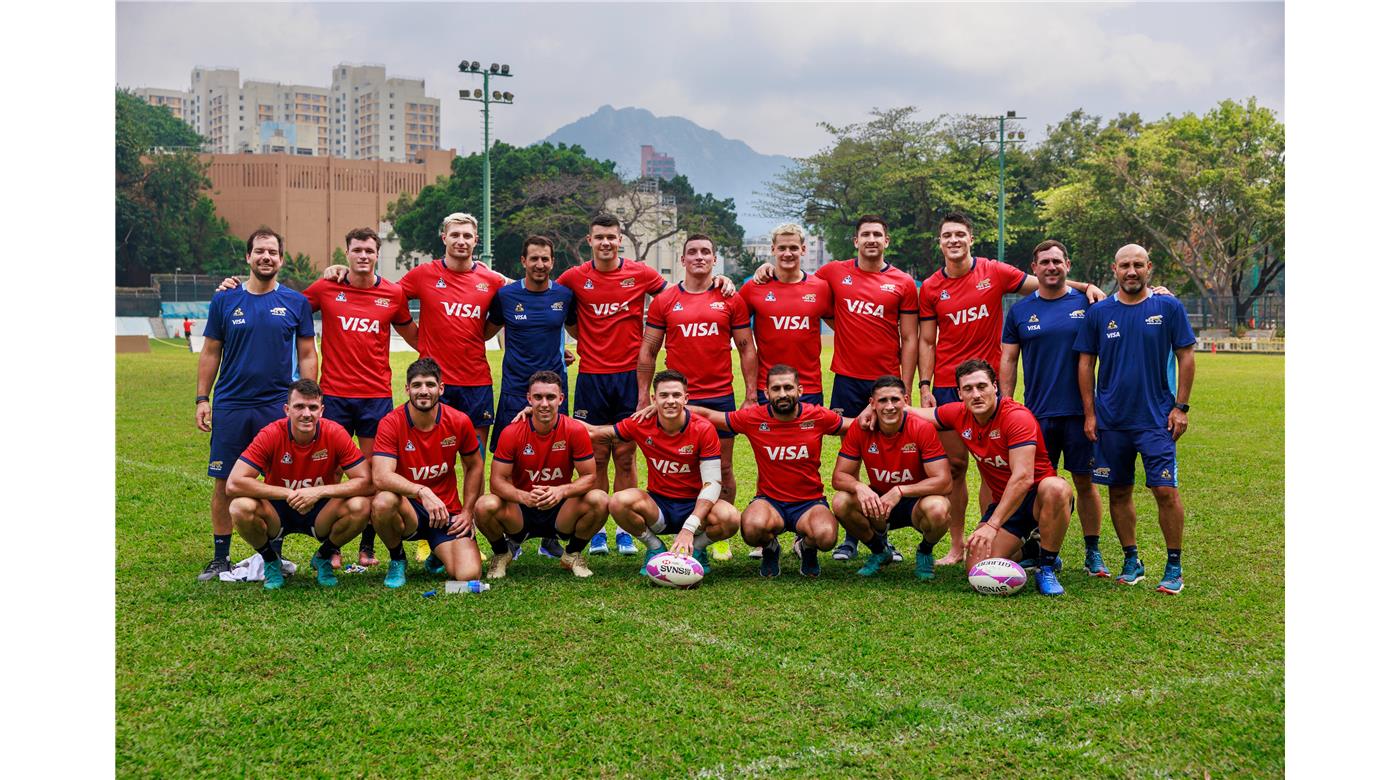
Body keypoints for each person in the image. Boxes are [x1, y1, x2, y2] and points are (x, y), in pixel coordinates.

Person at [917, 213, 1104, 567]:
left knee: (996, 466)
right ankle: (957, 546)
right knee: (958, 469)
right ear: (939, 242)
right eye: (947, 235)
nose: (954, 240)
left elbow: (1046, 280)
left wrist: (1085, 287)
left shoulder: (994, 271)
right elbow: (927, 341)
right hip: (947, 386)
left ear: (971, 238)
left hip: (988, 388)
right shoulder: (929, 288)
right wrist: (925, 385)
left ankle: (998, 526)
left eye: (960, 234)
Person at [750, 215, 918, 563]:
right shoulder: (833, 274)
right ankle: (851, 537)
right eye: (864, 234)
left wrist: (911, 384)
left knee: (881, 452)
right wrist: (765, 267)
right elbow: (796, 281)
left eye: (877, 234)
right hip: (845, 378)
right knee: (850, 451)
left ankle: (878, 530)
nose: (871, 239)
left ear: (886, 240)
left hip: (883, 381)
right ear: (855, 241)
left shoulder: (901, 281)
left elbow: (911, 337)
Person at [195, 227, 317, 581]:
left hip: (276, 405)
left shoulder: (295, 302)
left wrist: (307, 396)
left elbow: (307, 352)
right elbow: (210, 351)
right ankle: (221, 557)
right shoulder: (225, 299)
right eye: (259, 251)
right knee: (224, 480)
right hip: (231, 404)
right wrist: (203, 398)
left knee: (274, 480)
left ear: (281, 259)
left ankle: (272, 554)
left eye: (273, 252)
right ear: (248, 257)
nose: (266, 257)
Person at [1075, 244, 1195, 594]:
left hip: (1157, 418)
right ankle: (1132, 558)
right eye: (1125, 265)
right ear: (1114, 269)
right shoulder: (1099, 313)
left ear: (1149, 268)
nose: (1131, 271)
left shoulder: (1168, 306)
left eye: (1138, 265)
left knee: (1165, 490)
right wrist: (1090, 413)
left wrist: (1181, 407)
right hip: (1111, 420)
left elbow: (1185, 356)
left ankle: (1174, 565)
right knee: (1119, 490)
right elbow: (1086, 364)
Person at [904, 359, 1072, 596]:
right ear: (959, 393)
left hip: (1036, 498)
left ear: (995, 386)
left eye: (982, 386)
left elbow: (1023, 478)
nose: (976, 394)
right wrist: (885, 408)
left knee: (1056, 487)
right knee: (977, 569)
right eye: (968, 389)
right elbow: (919, 414)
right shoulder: (959, 414)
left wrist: (992, 525)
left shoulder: (1016, 417)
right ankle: (1032, 549)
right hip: (1006, 502)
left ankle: (1047, 566)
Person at [302, 227, 418, 568]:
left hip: (375, 398)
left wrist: (451, 353)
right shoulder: (327, 288)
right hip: (334, 396)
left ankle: (367, 546)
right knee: (333, 471)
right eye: (357, 250)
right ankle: (333, 544)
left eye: (369, 250)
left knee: (369, 475)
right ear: (347, 253)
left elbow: (414, 334)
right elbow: (290, 307)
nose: (363, 256)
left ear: (377, 253)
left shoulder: (393, 294)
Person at [556, 214, 667, 556]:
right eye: (599, 237)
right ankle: (599, 527)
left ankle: (623, 527)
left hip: (630, 377)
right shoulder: (574, 277)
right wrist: (563, 346)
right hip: (591, 377)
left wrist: (718, 280)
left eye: (612, 237)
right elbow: (546, 300)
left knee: (625, 453)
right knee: (596, 455)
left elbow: (673, 298)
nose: (606, 242)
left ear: (621, 241)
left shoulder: (641, 273)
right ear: (589, 241)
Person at [638, 233, 758, 543]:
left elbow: (746, 348)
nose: (699, 257)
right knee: (681, 463)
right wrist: (642, 396)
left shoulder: (730, 298)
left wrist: (751, 395)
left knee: (725, 466)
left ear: (715, 259)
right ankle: (676, 523)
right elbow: (648, 351)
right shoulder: (665, 300)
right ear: (683, 260)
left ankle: (715, 539)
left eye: (706, 251)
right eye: (693, 252)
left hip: (719, 395)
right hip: (675, 398)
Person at [999, 240, 1106, 576]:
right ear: (1034, 268)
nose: (1051, 267)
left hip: (1079, 413)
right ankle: (1037, 548)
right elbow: (1009, 359)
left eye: (1057, 261)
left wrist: (1159, 293)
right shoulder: (1019, 311)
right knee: (1033, 484)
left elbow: (1130, 306)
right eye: (1044, 262)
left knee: (1084, 482)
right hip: (1037, 415)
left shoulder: (1089, 305)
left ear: (1068, 265)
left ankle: (1093, 551)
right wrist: (1006, 404)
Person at [689, 364, 853, 578]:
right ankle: (770, 548)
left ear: (799, 391)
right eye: (776, 389)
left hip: (809, 502)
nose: (783, 394)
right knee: (751, 528)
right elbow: (709, 415)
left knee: (826, 536)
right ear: (767, 393)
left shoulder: (817, 416)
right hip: (770, 501)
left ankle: (807, 548)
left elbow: (854, 425)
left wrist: (888, 414)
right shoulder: (753, 417)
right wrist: (667, 407)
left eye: (788, 388)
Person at [585, 370, 741, 575]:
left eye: (676, 395)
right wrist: (546, 416)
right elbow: (595, 433)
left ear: (686, 398)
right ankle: (655, 548)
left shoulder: (703, 428)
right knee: (618, 501)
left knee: (730, 517)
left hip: (695, 507)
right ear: (653, 398)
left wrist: (689, 528)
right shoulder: (641, 423)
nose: (670, 401)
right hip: (659, 507)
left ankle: (698, 549)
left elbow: (712, 484)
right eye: (664, 395)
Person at [225, 379, 373, 590]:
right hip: (278, 510)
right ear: (287, 409)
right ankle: (270, 560)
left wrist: (318, 491)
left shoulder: (335, 433)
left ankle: (323, 556)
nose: (306, 413)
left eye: (313, 407)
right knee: (240, 507)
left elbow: (366, 482)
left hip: (320, 511)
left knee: (361, 506)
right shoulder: (271, 433)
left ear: (321, 410)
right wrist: (288, 493)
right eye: (299, 407)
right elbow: (233, 484)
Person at [482, 235, 577, 559]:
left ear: (553, 262)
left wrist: (560, 352)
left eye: (545, 259)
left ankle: (550, 535)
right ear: (523, 261)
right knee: (513, 461)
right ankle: (516, 533)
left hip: (553, 390)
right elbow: (484, 333)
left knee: (555, 459)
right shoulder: (506, 296)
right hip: (514, 390)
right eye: (533, 258)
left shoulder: (564, 296)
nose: (540, 265)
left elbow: (579, 330)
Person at [474, 371, 609, 579]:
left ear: (561, 399)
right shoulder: (512, 432)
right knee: (484, 505)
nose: (544, 403)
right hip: (521, 510)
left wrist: (561, 491)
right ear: (529, 398)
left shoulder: (574, 430)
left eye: (551, 397)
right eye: (538, 397)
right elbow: (497, 481)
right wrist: (523, 497)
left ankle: (572, 553)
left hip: (560, 509)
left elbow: (590, 476)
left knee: (599, 499)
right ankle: (502, 554)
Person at [368, 358, 486, 588]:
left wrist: (468, 511)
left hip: (446, 513)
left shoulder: (459, 420)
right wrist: (422, 491)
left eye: (430, 385)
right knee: (383, 501)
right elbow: (381, 476)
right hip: (408, 511)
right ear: (407, 389)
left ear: (441, 388)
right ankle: (397, 558)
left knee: (468, 576)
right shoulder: (391, 423)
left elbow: (475, 465)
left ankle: (437, 554)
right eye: (417, 385)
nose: (424, 391)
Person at [831, 376, 953, 580]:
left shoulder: (921, 428)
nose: (890, 407)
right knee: (841, 501)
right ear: (872, 404)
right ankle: (880, 551)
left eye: (895, 400)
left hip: (916, 503)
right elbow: (839, 477)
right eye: (882, 401)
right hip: (879, 504)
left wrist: (900, 490)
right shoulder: (861, 429)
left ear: (905, 400)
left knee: (939, 509)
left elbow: (944, 481)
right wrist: (860, 487)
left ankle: (925, 551)